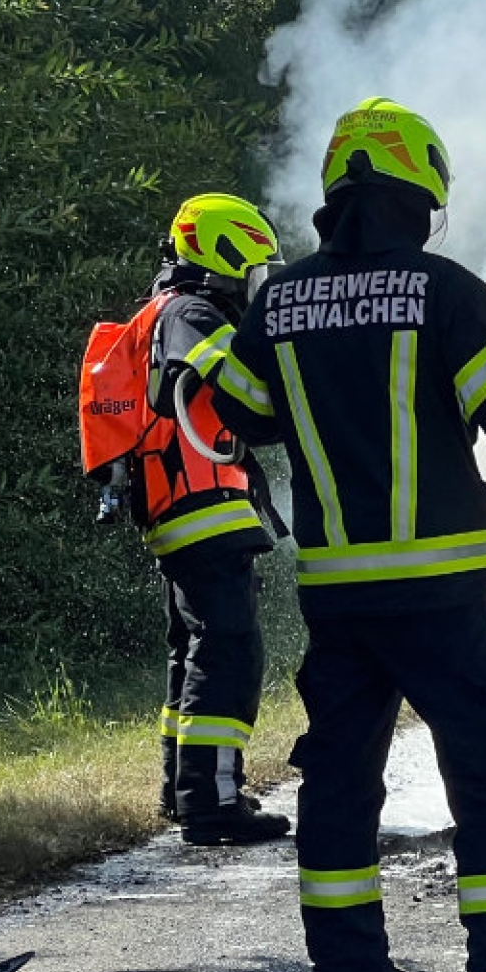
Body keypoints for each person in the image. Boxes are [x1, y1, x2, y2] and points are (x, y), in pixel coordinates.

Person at [201, 97, 486, 972]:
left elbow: (245, 417)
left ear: (338, 192)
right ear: (418, 189)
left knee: (341, 780)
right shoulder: (445, 291)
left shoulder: (282, 299)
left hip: (338, 596)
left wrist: (228, 339)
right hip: (440, 592)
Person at [79, 193, 292, 847]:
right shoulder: (195, 312)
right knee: (227, 649)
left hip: (182, 509)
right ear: (224, 260)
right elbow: (236, 384)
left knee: (194, 650)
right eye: (254, 271)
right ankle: (213, 801)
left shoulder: (163, 311)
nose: (257, 288)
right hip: (201, 507)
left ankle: (182, 789)